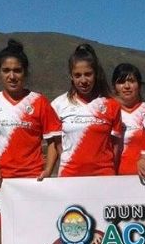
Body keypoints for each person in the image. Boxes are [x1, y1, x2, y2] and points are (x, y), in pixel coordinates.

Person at [0, 40, 61, 244]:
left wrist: (48, 170)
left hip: (32, 184)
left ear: (25, 73)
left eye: (17, 70)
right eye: (6, 71)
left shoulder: (39, 102)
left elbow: (53, 142)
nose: (12, 76)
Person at [51, 44, 122, 177]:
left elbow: (116, 146)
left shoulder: (112, 105)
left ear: (96, 74)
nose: (83, 80)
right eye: (77, 75)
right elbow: (57, 144)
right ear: (71, 76)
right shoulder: (58, 105)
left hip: (104, 176)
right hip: (70, 175)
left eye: (88, 74)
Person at [112, 63, 145, 175]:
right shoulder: (108, 112)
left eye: (131, 81)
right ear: (114, 86)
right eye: (121, 82)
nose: (127, 86)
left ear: (139, 85)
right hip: (113, 178)